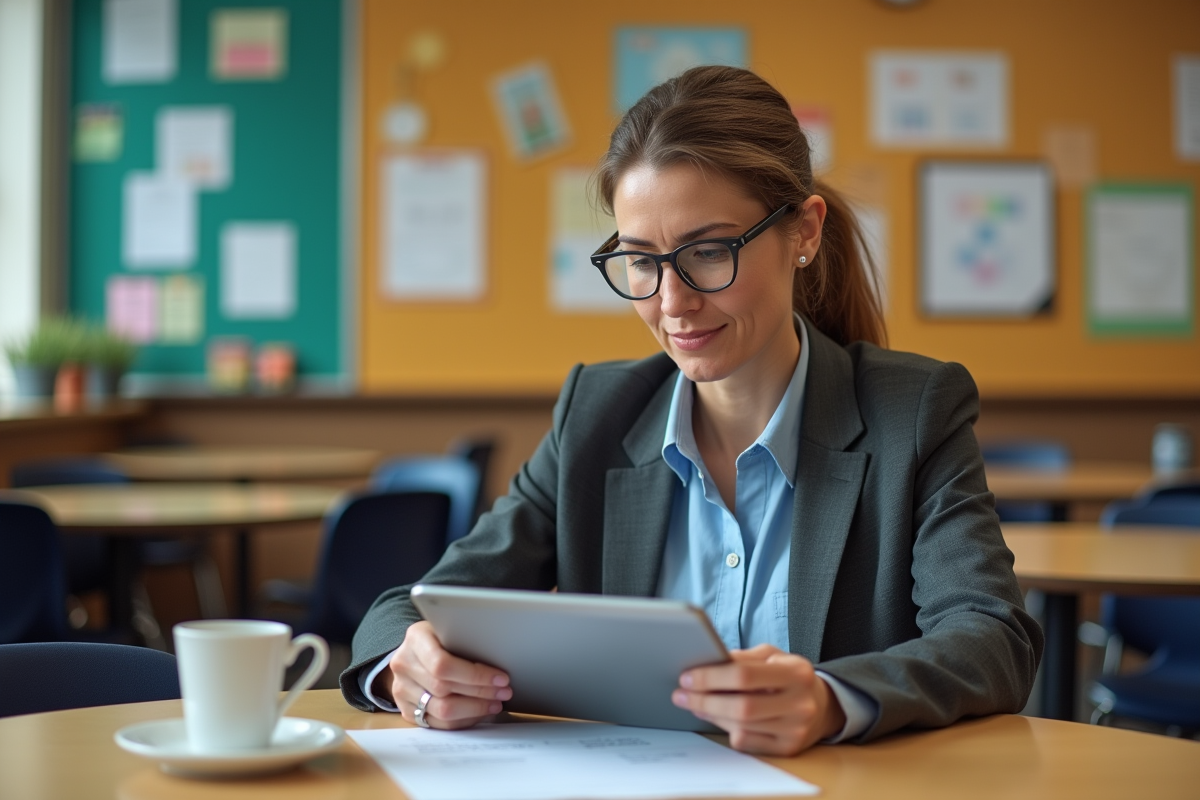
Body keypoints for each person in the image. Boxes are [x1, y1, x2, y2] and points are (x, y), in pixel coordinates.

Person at [341, 65, 1042, 755]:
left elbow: (992, 637)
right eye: (642, 261)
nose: (672, 303)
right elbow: (412, 607)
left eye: (708, 252)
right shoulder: (597, 415)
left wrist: (832, 700)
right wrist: (406, 666)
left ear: (803, 232)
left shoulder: (911, 412)